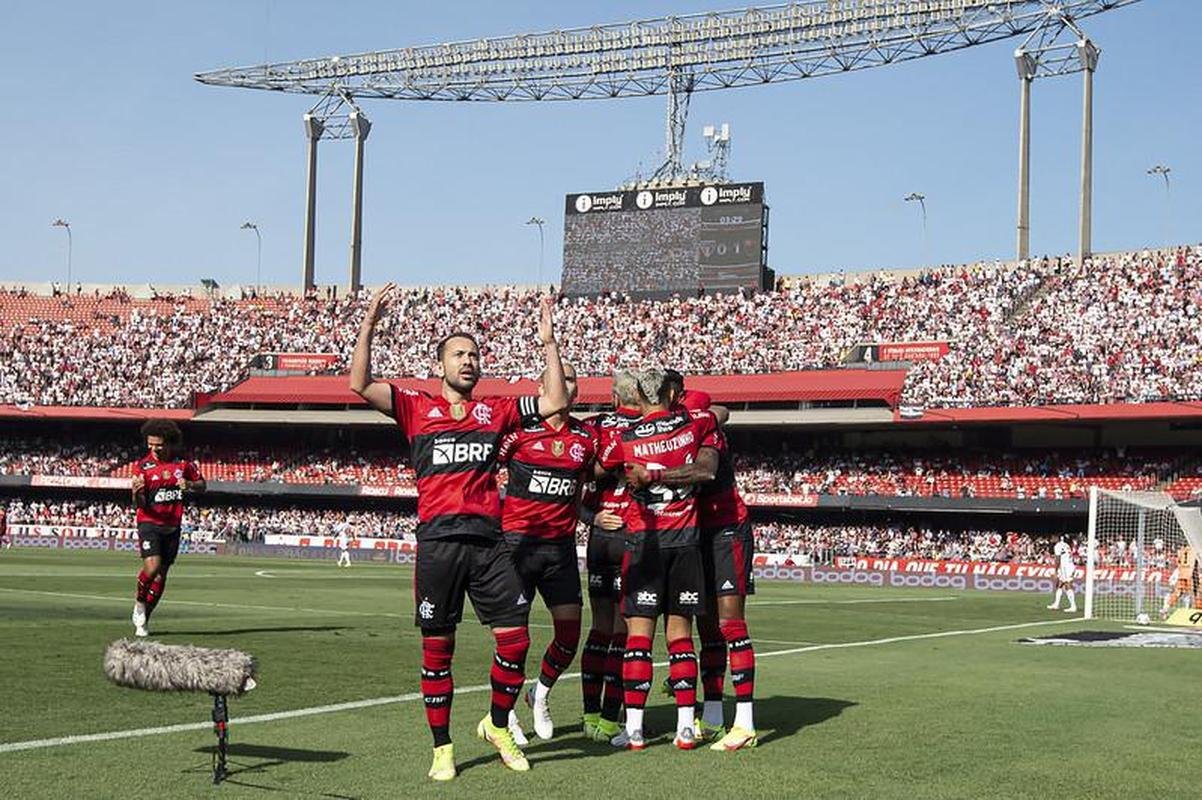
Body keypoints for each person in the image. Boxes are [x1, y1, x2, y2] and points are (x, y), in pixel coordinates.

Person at [349, 284, 569, 781]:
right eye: (458, 354)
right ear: (441, 365)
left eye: (473, 355)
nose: (468, 361)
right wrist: (368, 325)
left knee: (515, 641)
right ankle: (442, 748)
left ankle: (496, 725)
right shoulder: (413, 407)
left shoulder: (497, 412)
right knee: (437, 651)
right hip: (439, 544)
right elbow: (359, 384)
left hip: (489, 545)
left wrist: (549, 341)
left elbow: (554, 399)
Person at [599, 367, 721, 751]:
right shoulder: (693, 424)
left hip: (643, 544)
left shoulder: (624, 437)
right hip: (685, 541)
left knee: (638, 638)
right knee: (680, 637)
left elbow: (599, 467)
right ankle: (686, 728)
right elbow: (718, 414)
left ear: (638, 394)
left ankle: (633, 730)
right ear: (671, 393)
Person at [496, 363, 597, 742]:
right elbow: (485, 472)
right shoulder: (518, 431)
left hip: (560, 549)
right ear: (541, 387)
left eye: (572, 378)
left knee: (569, 637)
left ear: (577, 391)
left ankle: (539, 694)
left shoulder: (587, 438)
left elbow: (583, 491)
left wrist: (597, 515)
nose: (565, 384)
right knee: (514, 640)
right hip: (516, 546)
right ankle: (503, 716)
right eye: (559, 378)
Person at [662, 372, 759, 751]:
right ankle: (715, 715)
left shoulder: (698, 419)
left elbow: (705, 469)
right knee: (707, 628)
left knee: (730, 624)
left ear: (673, 394)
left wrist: (653, 474)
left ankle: (746, 722)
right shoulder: (670, 426)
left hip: (726, 529)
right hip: (693, 532)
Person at [579, 371, 642, 743]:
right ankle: (608, 718)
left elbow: (577, 479)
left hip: (601, 534)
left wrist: (592, 515)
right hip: (630, 538)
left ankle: (590, 717)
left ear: (615, 397)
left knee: (600, 626)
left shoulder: (595, 427)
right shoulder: (654, 427)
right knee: (624, 630)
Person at [130, 419, 206, 637]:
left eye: (158, 444)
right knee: (152, 568)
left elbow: (203, 485)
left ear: (170, 443)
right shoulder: (142, 466)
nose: (153, 449)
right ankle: (139, 602)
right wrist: (136, 492)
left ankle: (144, 620)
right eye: (150, 444)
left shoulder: (184, 465)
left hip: (172, 525)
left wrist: (190, 485)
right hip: (149, 522)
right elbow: (139, 504)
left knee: (162, 575)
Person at [1161, 544, 1197, 619]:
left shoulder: (1182, 550)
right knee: (1192, 595)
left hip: (1182, 573)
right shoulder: (1196, 549)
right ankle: (1191, 614)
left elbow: (1179, 562)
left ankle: (1165, 608)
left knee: (1177, 594)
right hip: (1191, 574)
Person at [1046, 538, 1077, 613]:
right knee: (1060, 584)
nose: (1051, 539)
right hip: (1069, 565)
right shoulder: (1065, 544)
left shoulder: (1057, 546)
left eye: (1052, 538)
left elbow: (1057, 559)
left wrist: (1056, 571)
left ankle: (1073, 606)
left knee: (1067, 585)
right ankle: (1056, 604)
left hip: (1066, 567)